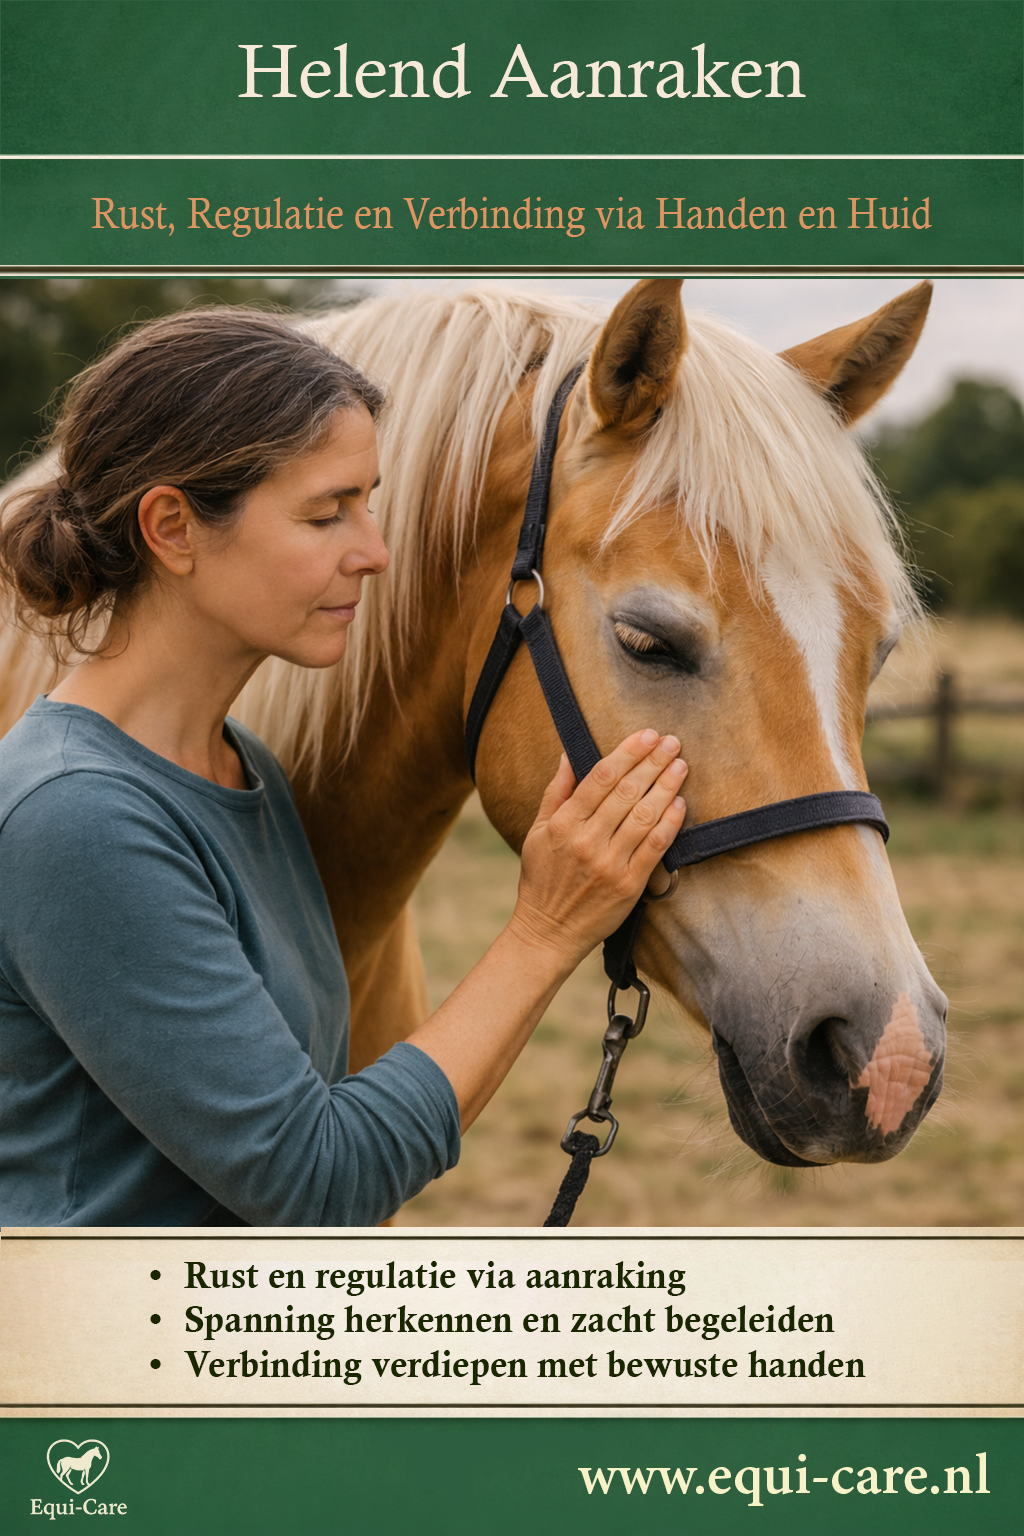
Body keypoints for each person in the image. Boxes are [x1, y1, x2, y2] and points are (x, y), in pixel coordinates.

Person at [0, 308, 687, 1227]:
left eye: (369, 502)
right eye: (326, 513)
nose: (374, 552)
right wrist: (545, 931)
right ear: (172, 528)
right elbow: (317, 1184)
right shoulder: (75, 815)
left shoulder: (242, 772)